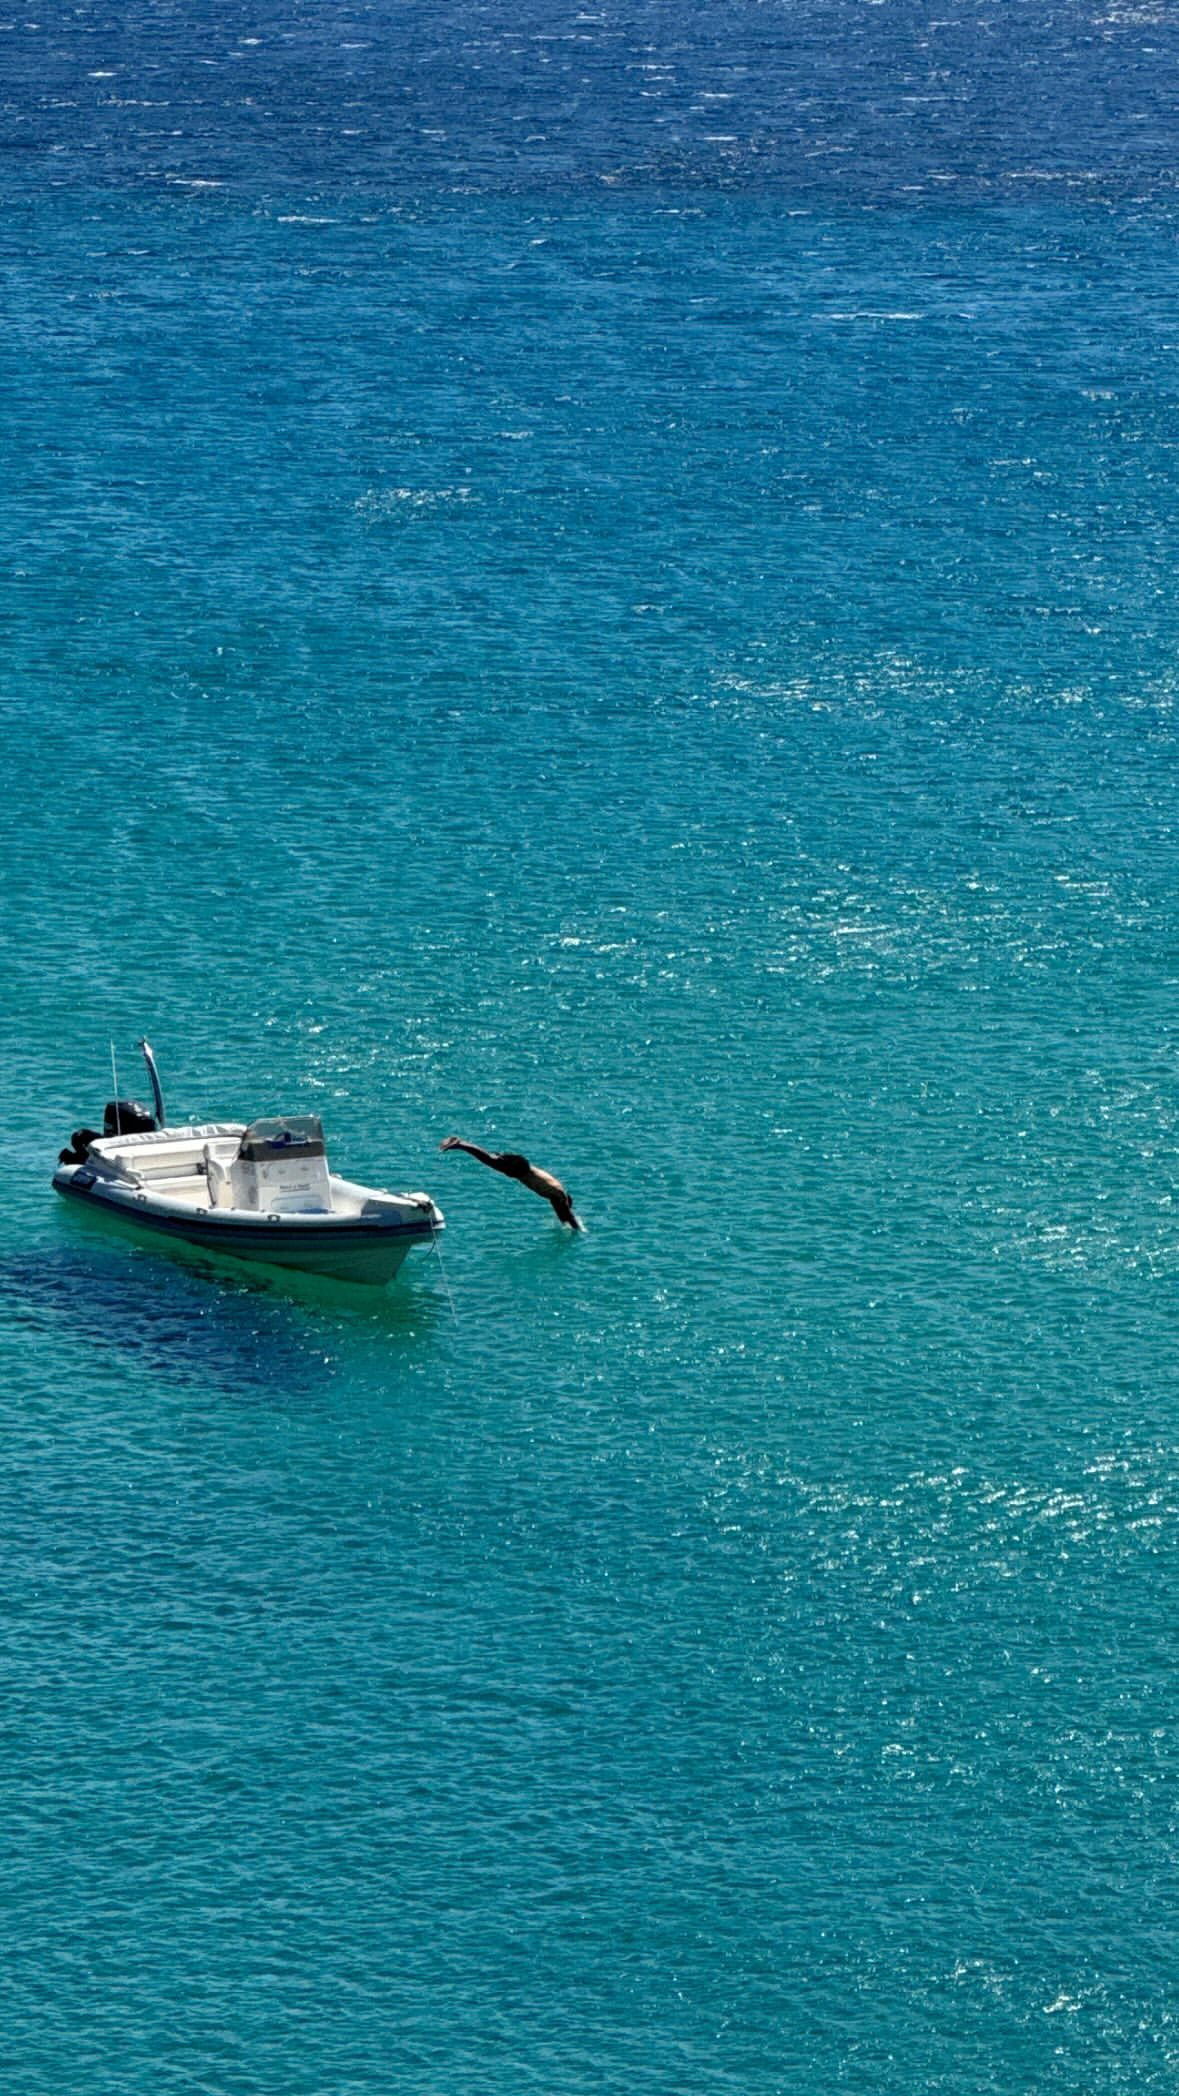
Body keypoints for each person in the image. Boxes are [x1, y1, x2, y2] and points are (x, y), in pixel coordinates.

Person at [439, 1136, 583, 1230]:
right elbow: (568, 1219)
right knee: (489, 1160)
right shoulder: (558, 1197)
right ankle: (460, 1144)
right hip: (522, 1170)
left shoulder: (559, 1191)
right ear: (567, 1203)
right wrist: (579, 1230)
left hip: (524, 1167)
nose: (557, 1211)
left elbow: (565, 1214)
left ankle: (461, 1144)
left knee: (490, 1158)